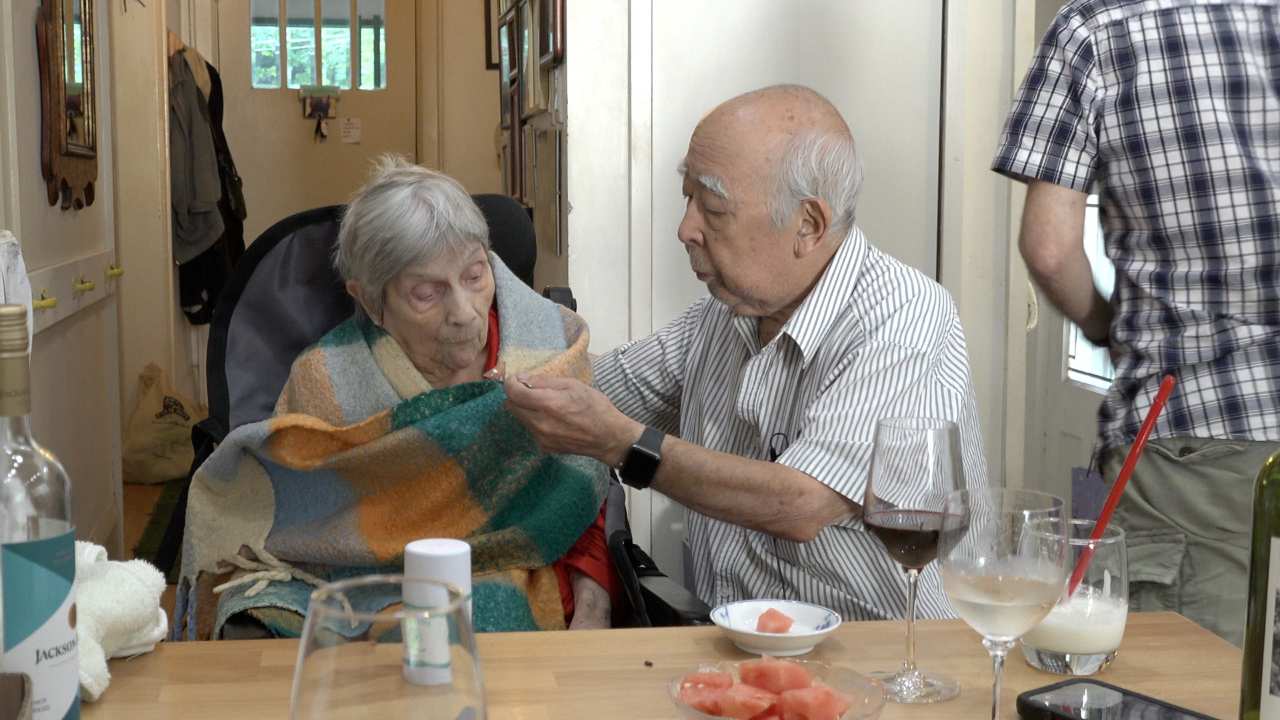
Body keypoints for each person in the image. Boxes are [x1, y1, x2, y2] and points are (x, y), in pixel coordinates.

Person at [505, 85, 988, 621]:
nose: (685, 229)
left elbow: (802, 503)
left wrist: (623, 445)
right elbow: (594, 389)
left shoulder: (904, 317)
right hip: (736, 651)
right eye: (687, 199)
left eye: (712, 207)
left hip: (880, 663)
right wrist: (487, 340)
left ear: (808, 224)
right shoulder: (724, 312)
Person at [175, 158, 616, 640]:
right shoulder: (325, 379)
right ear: (369, 301)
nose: (466, 313)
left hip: (513, 565)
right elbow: (290, 521)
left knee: (462, 623)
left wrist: (596, 611)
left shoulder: (551, 347)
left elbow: (581, 499)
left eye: (475, 275)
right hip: (360, 575)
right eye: (427, 293)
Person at [993, 0, 1280, 645]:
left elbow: (1048, 248)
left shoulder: (1098, 30)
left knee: (1188, 685)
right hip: (1219, 434)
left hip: (1193, 438)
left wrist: (1105, 328)